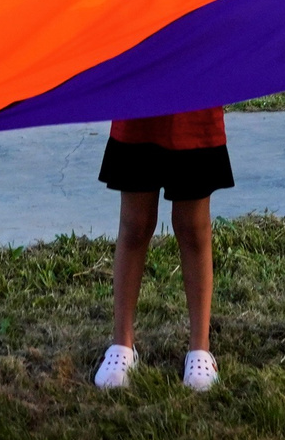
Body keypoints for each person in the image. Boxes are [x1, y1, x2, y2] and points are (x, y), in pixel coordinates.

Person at [92, 108, 231, 392]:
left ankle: (200, 349)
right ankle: (122, 344)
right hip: (138, 111)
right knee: (134, 226)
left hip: (196, 115)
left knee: (194, 229)